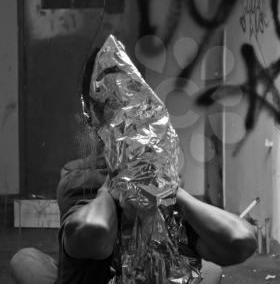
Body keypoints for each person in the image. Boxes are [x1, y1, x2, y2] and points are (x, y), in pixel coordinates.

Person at [10, 43, 257, 284]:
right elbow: (94, 233)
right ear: (97, 122)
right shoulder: (80, 178)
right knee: (25, 260)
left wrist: (171, 191)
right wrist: (113, 187)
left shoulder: (164, 188)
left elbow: (240, 240)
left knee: (212, 270)